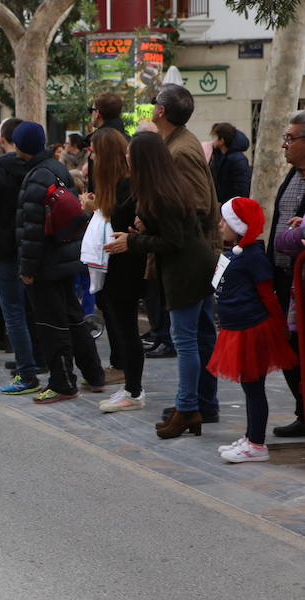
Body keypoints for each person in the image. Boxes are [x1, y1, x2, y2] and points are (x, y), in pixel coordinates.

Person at [105, 131, 217, 438]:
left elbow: (172, 240)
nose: (126, 157)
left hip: (187, 272)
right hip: (193, 266)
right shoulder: (165, 187)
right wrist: (143, 229)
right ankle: (192, 407)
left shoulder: (162, 193)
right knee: (194, 340)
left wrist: (133, 240)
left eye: (131, 153)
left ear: (143, 159)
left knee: (186, 342)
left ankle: (187, 408)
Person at [14, 121, 105, 404]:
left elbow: (31, 231)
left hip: (47, 264)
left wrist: (27, 269)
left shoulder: (36, 177)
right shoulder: (57, 168)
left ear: (19, 146)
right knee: (73, 318)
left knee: (52, 325)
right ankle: (94, 374)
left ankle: (63, 382)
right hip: (67, 256)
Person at [152, 83, 221, 423]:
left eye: (154, 104)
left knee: (190, 337)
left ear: (161, 112)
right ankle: (202, 402)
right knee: (201, 333)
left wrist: (152, 224)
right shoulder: (178, 143)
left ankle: (193, 405)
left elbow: (196, 205)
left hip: (194, 255)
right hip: (198, 251)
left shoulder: (180, 150)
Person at [208, 197, 297, 462]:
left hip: (251, 330)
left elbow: (267, 295)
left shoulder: (253, 256)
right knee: (249, 387)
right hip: (237, 328)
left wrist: (280, 326)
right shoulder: (235, 252)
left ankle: (257, 444)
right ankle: (250, 436)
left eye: (225, 220)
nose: (220, 224)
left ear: (239, 225)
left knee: (254, 386)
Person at [0, 119, 45, 394]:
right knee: (33, 309)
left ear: (5, 140)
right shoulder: (42, 168)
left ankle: (26, 371)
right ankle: (37, 359)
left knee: (13, 312)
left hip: (4, 249)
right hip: (34, 247)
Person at [84, 128, 147, 412]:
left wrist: (97, 208)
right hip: (113, 269)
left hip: (125, 270)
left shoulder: (128, 186)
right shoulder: (115, 185)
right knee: (120, 330)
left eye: (95, 151)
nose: (92, 156)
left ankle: (134, 390)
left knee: (127, 330)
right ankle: (130, 387)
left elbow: (123, 225)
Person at [265, 109, 305, 437]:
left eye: (291, 139)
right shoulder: (292, 176)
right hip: (281, 275)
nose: (284, 145)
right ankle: (302, 412)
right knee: (287, 347)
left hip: (301, 280)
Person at [209, 123, 251, 204]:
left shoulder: (238, 160)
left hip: (231, 207)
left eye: (214, 137)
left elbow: (241, 189)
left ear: (221, 141)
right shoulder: (218, 155)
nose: (212, 140)